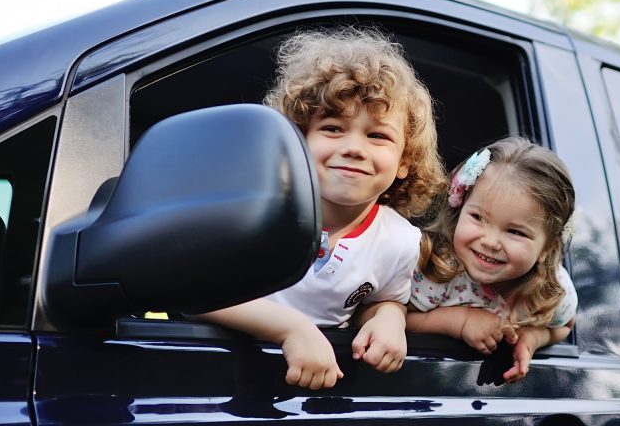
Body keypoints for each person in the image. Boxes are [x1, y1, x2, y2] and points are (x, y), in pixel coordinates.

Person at [197, 26, 446, 390]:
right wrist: (291, 328)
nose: (354, 148)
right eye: (333, 128)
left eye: (377, 135)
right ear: (297, 138)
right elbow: (195, 294)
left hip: (317, 396)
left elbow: (383, 299)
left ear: (404, 159)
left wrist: (389, 319)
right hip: (215, 378)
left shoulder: (400, 241)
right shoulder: (254, 212)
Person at [407, 137, 577, 383]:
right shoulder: (435, 269)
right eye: (478, 217)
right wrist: (460, 322)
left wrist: (534, 338)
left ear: (547, 248)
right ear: (459, 208)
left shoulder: (551, 289)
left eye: (515, 232)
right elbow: (386, 316)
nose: (490, 241)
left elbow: (566, 323)